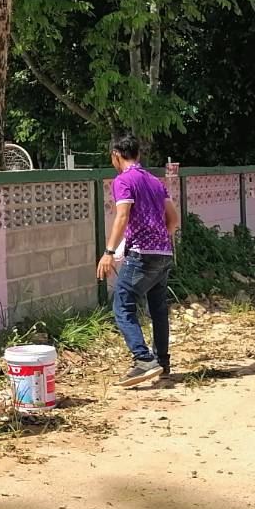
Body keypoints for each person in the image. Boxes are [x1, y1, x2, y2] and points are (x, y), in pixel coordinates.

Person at [96, 134, 181, 387]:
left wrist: (109, 252)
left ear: (116, 155)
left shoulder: (123, 180)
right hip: (164, 253)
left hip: (141, 254)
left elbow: (122, 216)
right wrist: (159, 239)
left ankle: (144, 360)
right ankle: (163, 363)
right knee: (158, 310)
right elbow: (173, 220)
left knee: (122, 306)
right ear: (138, 154)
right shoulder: (155, 181)